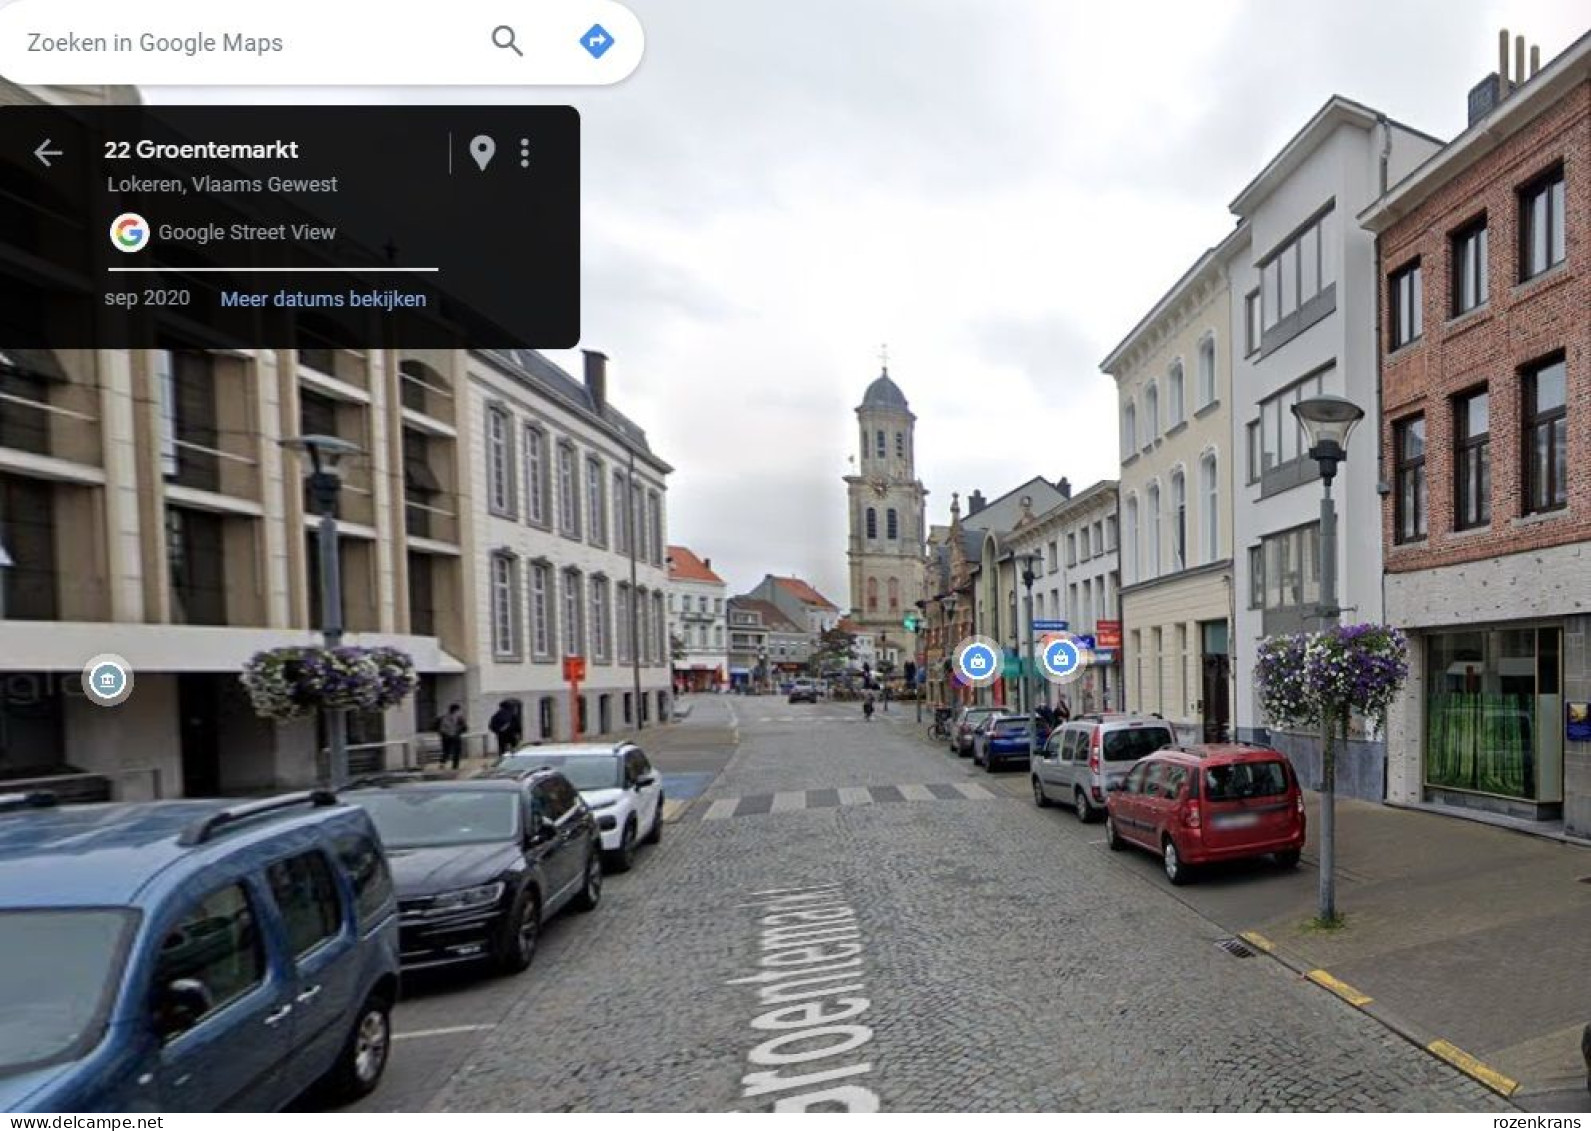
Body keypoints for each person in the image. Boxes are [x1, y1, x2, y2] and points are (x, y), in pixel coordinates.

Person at [436, 703, 467, 770]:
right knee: (452, 751)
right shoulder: (455, 717)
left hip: (450, 737)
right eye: (459, 710)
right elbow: (464, 728)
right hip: (451, 737)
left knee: (450, 751)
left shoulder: (446, 717)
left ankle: (447, 764)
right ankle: (450, 765)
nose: (460, 712)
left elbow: (464, 728)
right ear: (456, 710)